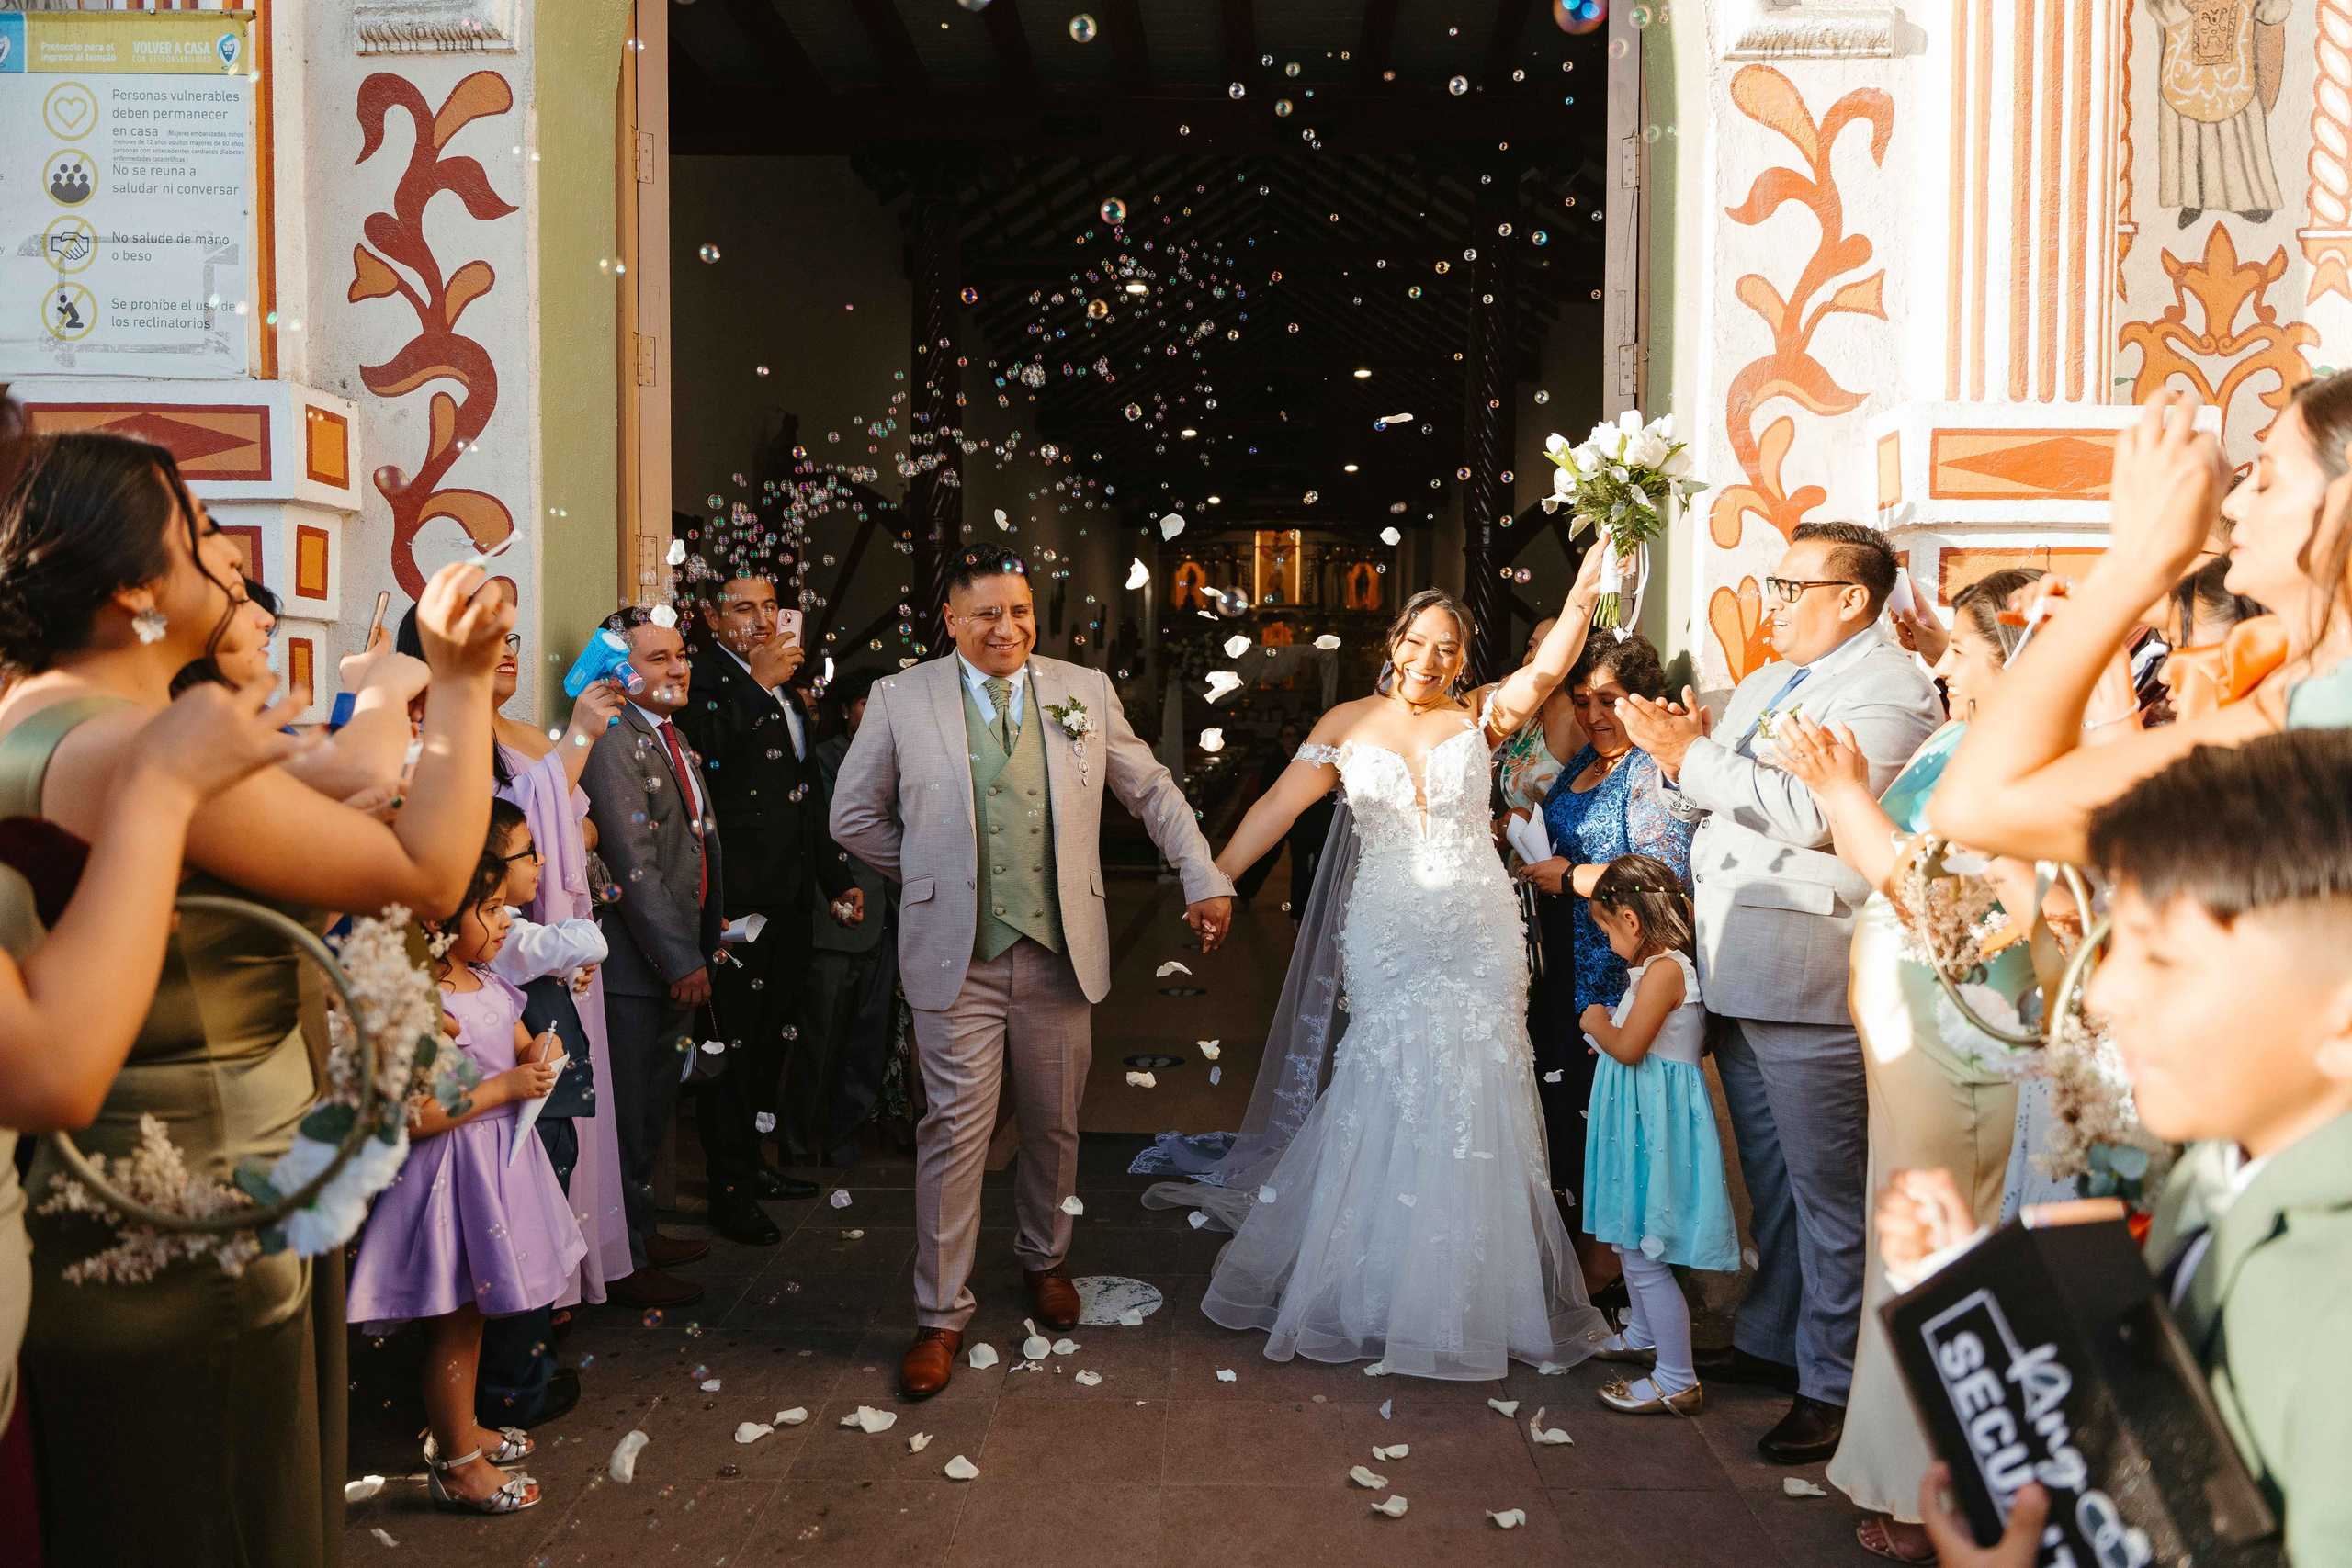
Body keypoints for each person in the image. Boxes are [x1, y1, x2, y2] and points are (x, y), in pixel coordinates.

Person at [0, 429, 507, 1564]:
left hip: (86, 1204)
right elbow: (425, 872)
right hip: (203, 1215)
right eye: (194, 539)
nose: (219, 556)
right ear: (133, 589)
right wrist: (459, 679)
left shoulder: (24, 716)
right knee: (230, 1516)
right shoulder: (130, 746)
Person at [1887, 728, 2352, 1567]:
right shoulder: (2219, 1163)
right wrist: (1972, 1286)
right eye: (2112, 943)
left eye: (2163, 958)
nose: (2103, 989)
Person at [1182, 557, 1614, 1380]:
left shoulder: (1481, 716)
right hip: (1389, 930)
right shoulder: (1346, 723)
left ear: (1460, 657)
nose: (1430, 659)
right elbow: (1278, 805)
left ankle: (1474, 1293)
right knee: (1391, 1075)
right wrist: (1216, 879)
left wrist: (1590, 575)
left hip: (1480, 932)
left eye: (1447, 648)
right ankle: (1374, 1284)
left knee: (1481, 1081)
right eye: (1419, 642)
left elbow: (1554, 659)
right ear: (1394, 642)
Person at [829, 545, 1234, 1398]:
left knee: (1054, 1124)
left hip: (1058, 951)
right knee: (954, 1134)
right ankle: (939, 1314)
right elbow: (853, 814)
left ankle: (1045, 1260)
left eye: (1019, 611)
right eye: (987, 613)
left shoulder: (1080, 689)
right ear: (951, 619)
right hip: (957, 957)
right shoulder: (905, 698)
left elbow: (1150, 787)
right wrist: (935, 871)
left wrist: (1202, 873)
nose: (1007, 627)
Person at [1617, 519, 1943, 1463]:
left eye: (1788, 586)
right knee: (1773, 1187)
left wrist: (1699, 760)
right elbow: (1719, 794)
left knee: (1829, 1195)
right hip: (1738, 966)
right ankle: (1769, 1341)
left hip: (1808, 972)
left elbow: (1815, 814)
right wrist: (1674, 759)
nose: (1770, 601)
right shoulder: (1766, 682)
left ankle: (1833, 1386)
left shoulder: (1889, 687)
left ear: (1850, 598)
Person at [1772, 569, 2051, 1563]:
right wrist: (1841, 792)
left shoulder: (2021, 760)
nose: (1950, 665)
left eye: (1970, 654)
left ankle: (1932, 1488)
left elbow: (1942, 900)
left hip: (1962, 1033)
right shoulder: (1954, 733)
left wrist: (1842, 793)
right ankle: (1907, 1471)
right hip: (1913, 1033)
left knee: (1931, 1251)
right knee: (1908, 1236)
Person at [0, 678, 310, 1533]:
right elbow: (51, 1071)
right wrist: (161, 788)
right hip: (174, 1199)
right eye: (202, 535)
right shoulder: (110, 744)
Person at [1932, 383, 2352, 863]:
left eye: (2269, 483)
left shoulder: (2334, 704)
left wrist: (2136, 562)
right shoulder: (2305, 689)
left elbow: (1980, 807)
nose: (2234, 508)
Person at [346, 849, 583, 1515]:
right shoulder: (420, 1003)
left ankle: (464, 1429)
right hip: (448, 1180)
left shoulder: (483, 978)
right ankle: (456, 1462)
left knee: (474, 1315)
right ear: (434, 923)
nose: (505, 919)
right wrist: (504, 1086)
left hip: (494, 1172)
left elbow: (517, 1042)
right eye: (487, 910)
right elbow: (413, 1112)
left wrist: (541, 1052)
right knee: (453, 1320)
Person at [674, 569, 859, 1238]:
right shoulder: (701, 679)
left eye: (770, 606)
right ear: (712, 616)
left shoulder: (790, 692)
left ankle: (756, 1163)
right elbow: (707, 756)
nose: (760, 619)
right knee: (732, 1046)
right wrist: (756, 683)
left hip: (789, 900)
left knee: (773, 1044)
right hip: (736, 901)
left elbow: (802, 793)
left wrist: (837, 879)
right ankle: (728, 1187)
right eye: (744, 608)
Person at [1517, 632, 1696, 1272]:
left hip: (1615, 975)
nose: (1594, 715)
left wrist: (1568, 876)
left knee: (1605, 1125)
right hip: (1563, 963)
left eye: (1610, 700)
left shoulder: (1649, 771)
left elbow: (1659, 883)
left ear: (1641, 699)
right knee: (1562, 1116)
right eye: (1584, 699)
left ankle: (1610, 1280)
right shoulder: (1585, 764)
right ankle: (1573, 1270)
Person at [582, 608, 725, 1310]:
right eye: (660, 659)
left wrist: (712, 924)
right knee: (630, 1117)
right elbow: (632, 866)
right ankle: (627, 1260)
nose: (679, 668)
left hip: (675, 952)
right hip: (635, 971)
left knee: (652, 1113)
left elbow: (692, 844)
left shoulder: (671, 734)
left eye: (681, 656)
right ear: (620, 671)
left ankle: (642, 1234)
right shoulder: (615, 742)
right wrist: (678, 958)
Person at [1577, 854, 1738, 1415]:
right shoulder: (1657, 969)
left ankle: (1677, 1378)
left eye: (1605, 927)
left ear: (1631, 919)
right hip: (1640, 1122)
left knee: (1645, 1252)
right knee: (1629, 1235)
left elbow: (1628, 1046)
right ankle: (1644, 1338)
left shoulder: (1666, 969)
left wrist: (1594, 1019)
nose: (1606, 938)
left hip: (1655, 1129)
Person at [470, 798, 606, 1430]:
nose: (543, 860)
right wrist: (564, 954)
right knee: (522, 1247)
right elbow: (586, 936)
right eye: (530, 853)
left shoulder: (503, 933)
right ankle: (516, 1388)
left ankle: (524, 1373)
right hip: (527, 1112)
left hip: (537, 1103)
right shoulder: (506, 936)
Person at [805, 666, 896, 1168]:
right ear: (845, 709)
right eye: (865, 704)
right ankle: (798, 1140)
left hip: (891, 917)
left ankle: (845, 1138)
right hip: (838, 914)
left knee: (868, 1038)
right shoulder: (824, 760)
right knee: (819, 1037)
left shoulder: (903, 755)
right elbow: (827, 837)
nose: (874, 715)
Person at [1232, 720, 1301, 903]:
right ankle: (1245, 889)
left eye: (1294, 734)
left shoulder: (1303, 760)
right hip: (1278, 815)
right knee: (1269, 854)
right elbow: (1266, 791)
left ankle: (1299, 902)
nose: (1291, 739)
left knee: (1299, 858)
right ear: (1280, 740)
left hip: (1300, 815)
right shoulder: (1274, 762)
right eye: (1287, 735)